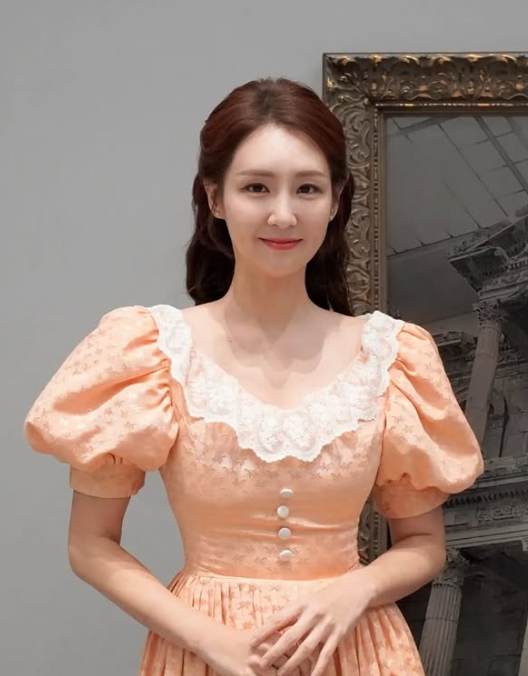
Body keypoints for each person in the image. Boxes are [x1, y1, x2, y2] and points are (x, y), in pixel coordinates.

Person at [24, 77, 484, 676]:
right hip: (207, 653)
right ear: (215, 197)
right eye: (256, 187)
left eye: (308, 188)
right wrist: (208, 640)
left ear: (337, 200)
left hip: (356, 650)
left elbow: (424, 543)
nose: (283, 214)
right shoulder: (151, 351)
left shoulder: (393, 357)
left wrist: (357, 589)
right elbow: (89, 545)